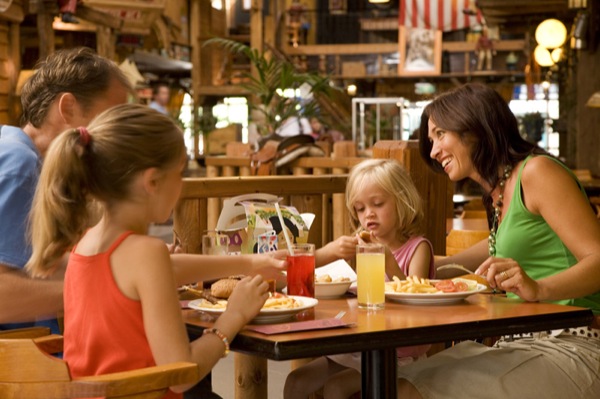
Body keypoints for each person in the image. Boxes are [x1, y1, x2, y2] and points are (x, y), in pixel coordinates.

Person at [25, 104, 277, 398]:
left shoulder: (86, 244)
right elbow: (181, 372)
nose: (182, 185)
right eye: (180, 172)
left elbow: (172, 268)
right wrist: (234, 316)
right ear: (153, 181)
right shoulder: (147, 253)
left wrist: (249, 262)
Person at [396, 83, 600, 398]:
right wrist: (432, 262)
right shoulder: (499, 191)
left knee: (410, 390)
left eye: (439, 135)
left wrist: (539, 288)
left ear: (473, 127)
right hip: (520, 340)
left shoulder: (537, 172)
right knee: (394, 384)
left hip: (575, 343)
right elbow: (498, 245)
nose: (434, 151)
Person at [0, 47, 132, 330]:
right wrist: (112, 289)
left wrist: (121, 264)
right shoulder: (19, 165)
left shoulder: (15, 151)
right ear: (68, 107)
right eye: (111, 119)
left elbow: (33, 267)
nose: (118, 134)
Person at [285, 159, 434, 399]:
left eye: (377, 204)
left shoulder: (418, 248)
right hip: (358, 345)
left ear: (403, 200)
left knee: (336, 387)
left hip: (399, 354)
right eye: (360, 208)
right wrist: (333, 250)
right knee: (296, 382)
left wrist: (387, 260)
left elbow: (415, 297)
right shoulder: (363, 247)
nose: (368, 214)